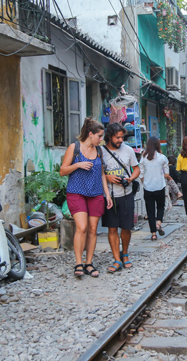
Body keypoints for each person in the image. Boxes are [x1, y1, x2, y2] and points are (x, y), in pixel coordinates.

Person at [60, 117, 113, 278]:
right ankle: (78, 263)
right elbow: (63, 171)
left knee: (92, 229)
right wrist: (77, 165)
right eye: (100, 136)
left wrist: (107, 194)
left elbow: (102, 173)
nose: (102, 139)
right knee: (81, 227)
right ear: (90, 134)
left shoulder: (99, 150)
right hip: (77, 192)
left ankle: (89, 263)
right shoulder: (74, 148)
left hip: (95, 193)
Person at [101, 123, 140, 273]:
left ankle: (125, 253)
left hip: (126, 195)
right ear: (109, 136)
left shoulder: (128, 150)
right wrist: (107, 176)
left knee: (126, 227)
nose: (120, 140)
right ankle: (117, 258)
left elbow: (136, 169)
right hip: (109, 196)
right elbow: (97, 173)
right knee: (112, 228)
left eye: (122, 137)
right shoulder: (101, 152)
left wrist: (130, 179)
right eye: (117, 137)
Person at [139, 137, 169, 241]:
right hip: (160, 187)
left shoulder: (143, 158)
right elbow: (167, 174)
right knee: (160, 207)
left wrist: (146, 182)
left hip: (148, 188)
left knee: (150, 211)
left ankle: (153, 234)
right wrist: (159, 175)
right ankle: (158, 223)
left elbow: (141, 174)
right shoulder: (162, 158)